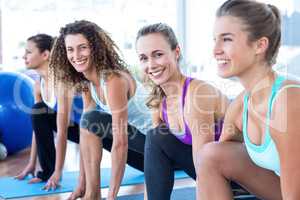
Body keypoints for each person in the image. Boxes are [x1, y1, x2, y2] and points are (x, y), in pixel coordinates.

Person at [197, 0, 300, 199]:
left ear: (260, 45)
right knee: (210, 155)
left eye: (226, 39)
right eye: (215, 39)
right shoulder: (239, 106)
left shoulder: (288, 101)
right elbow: (214, 163)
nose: (216, 50)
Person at [49, 20, 152, 200]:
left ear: (95, 48)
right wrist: (81, 182)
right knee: (88, 121)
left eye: (82, 47)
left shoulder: (113, 79)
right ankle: (90, 193)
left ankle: (94, 196)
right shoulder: (87, 81)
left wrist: (111, 197)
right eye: (70, 49)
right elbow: (86, 132)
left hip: (159, 150)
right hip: (141, 154)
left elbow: (120, 143)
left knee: (92, 119)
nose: (76, 55)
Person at [135, 23, 229, 200]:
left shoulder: (196, 93)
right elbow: (154, 161)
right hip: (214, 172)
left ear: (176, 52)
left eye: (158, 55)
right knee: (156, 136)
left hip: (241, 177)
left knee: (157, 136)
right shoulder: (159, 101)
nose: (151, 64)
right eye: (143, 58)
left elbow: (204, 166)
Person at [15, 34, 82, 191]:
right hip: (77, 130)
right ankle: (46, 172)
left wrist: (58, 173)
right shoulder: (38, 85)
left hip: (97, 130)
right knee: (38, 112)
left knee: (143, 163)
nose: (24, 56)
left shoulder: (61, 80)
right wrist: (31, 164)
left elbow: (62, 132)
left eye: (29, 52)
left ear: (45, 55)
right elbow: (38, 128)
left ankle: (53, 171)